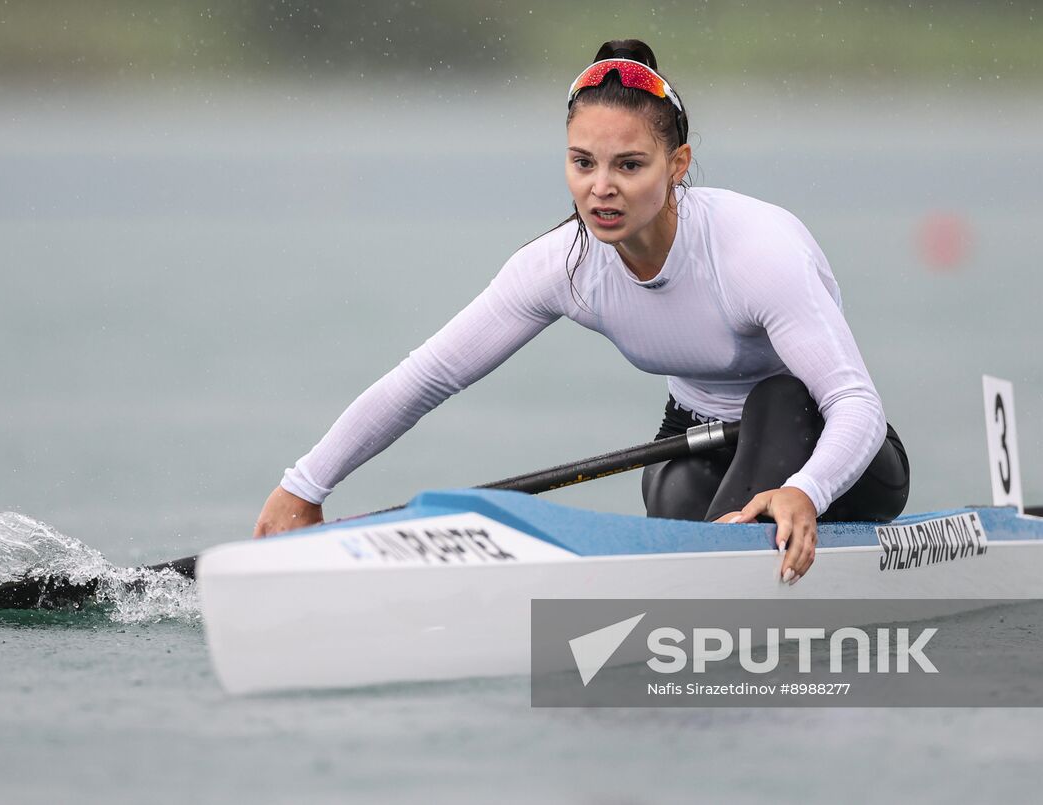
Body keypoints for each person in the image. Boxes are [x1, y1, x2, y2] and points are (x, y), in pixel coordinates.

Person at [253, 39, 910, 584]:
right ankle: (715, 572)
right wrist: (305, 485)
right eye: (582, 163)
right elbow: (428, 376)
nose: (602, 187)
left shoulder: (756, 251)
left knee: (776, 397)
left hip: (834, 450)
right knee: (678, 498)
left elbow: (856, 404)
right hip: (700, 435)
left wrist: (809, 490)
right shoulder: (562, 267)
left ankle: (740, 557)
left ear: (676, 165)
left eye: (629, 164)